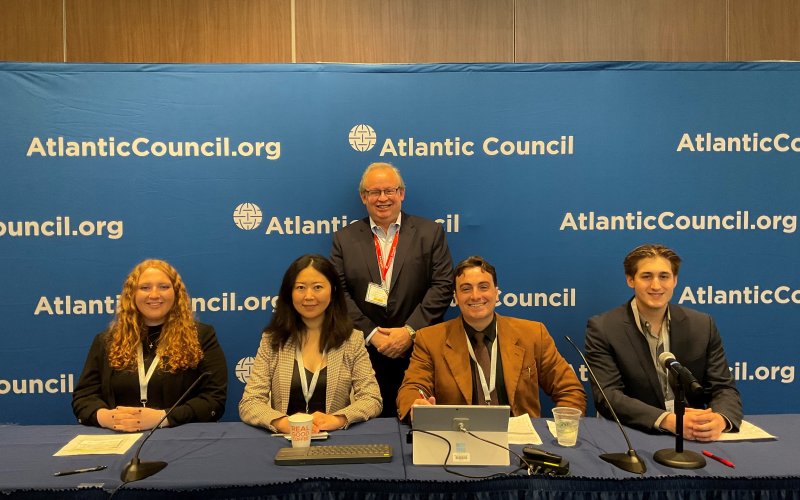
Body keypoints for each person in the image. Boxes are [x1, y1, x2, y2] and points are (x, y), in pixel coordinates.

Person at [397, 256, 586, 421]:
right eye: (466, 289)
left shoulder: (533, 334)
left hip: (521, 443)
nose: (475, 295)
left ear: (496, 293)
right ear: (455, 297)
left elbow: (570, 390)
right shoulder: (430, 339)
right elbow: (412, 387)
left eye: (483, 287)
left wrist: (563, 427)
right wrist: (417, 406)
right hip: (459, 438)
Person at [331, 162, 453, 418]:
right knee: (369, 428)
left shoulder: (430, 233)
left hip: (419, 351)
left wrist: (409, 331)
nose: (383, 198)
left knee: (417, 424)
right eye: (374, 192)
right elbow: (339, 293)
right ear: (364, 197)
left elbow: (442, 285)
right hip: (366, 353)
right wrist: (372, 334)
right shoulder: (344, 238)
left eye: (390, 190)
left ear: (402, 193)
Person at [584, 244, 743, 441]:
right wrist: (667, 420)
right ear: (630, 280)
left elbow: (723, 387)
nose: (656, 286)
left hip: (693, 434)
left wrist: (720, 419)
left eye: (664, 276)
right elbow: (608, 395)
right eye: (646, 276)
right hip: (635, 433)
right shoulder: (604, 327)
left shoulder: (702, 324)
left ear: (675, 280)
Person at [72, 259, 227, 431]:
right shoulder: (106, 341)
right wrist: (108, 418)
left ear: (176, 294)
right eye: (145, 288)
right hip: (118, 438)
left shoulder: (201, 336)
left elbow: (214, 400)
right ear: (132, 295)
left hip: (180, 437)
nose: (154, 295)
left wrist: (163, 418)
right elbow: (83, 398)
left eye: (163, 287)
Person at [239, 254, 382, 433]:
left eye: (317, 287)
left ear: (333, 291)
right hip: (285, 442)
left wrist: (337, 419)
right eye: (300, 288)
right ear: (289, 293)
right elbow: (250, 402)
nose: (308, 296)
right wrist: (282, 423)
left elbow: (372, 399)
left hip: (334, 441)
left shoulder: (351, 340)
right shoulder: (272, 340)